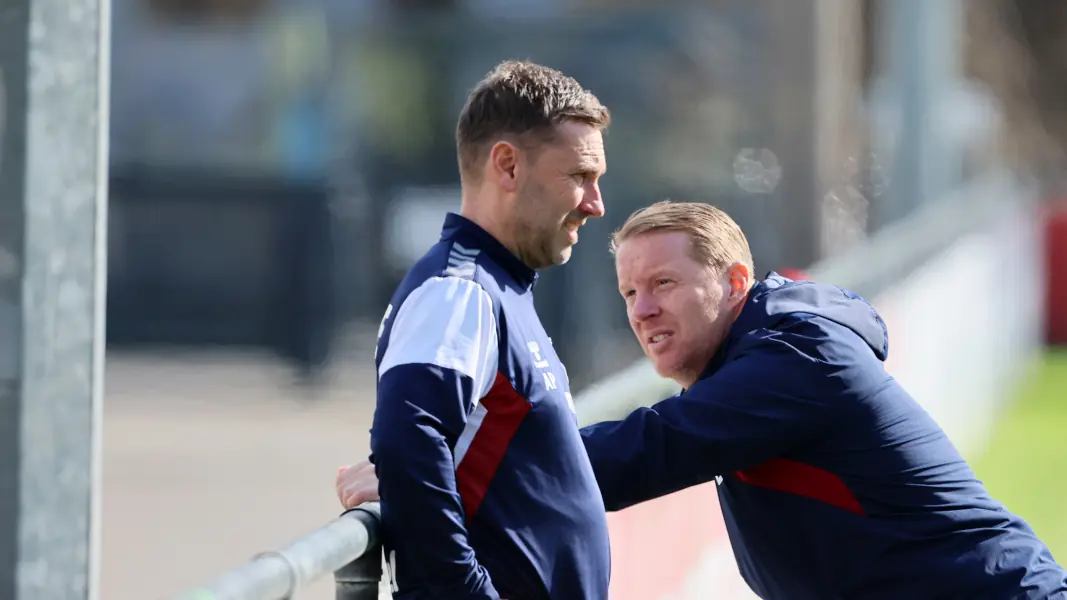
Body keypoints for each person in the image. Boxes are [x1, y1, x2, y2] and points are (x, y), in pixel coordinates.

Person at [341, 200, 1067, 599]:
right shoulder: (752, 363)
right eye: (629, 292)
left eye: (663, 284)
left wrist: (435, 470)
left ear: (734, 281)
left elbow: (649, 449)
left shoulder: (795, 357)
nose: (642, 310)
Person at [355, 59, 612, 599]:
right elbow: (408, 443)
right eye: (580, 177)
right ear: (508, 166)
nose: (595, 204)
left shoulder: (498, 287)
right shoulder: (460, 290)